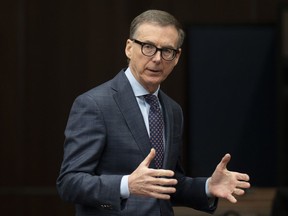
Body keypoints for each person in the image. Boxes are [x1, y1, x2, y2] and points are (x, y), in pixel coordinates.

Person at [56, 9, 250, 216]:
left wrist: (208, 186)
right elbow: (69, 182)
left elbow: (166, 182)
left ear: (177, 57)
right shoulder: (94, 104)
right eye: (148, 47)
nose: (157, 58)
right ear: (129, 48)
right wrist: (126, 185)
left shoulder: (173, 110)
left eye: (167, 51)